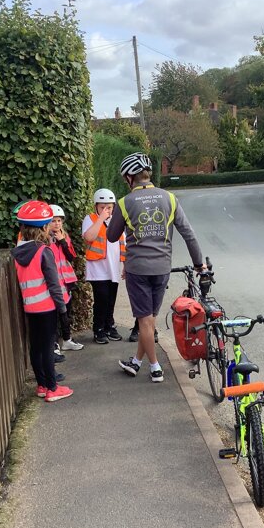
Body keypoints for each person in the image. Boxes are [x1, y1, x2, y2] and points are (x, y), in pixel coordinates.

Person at [107, 152, 206, 382]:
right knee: (149, 320)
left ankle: (155, 367)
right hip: (162, 268)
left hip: (137, 270)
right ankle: (136, 362)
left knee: (145, 321)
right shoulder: (169, 198)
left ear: (130, 177)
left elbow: (111, 236)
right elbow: (188, 234)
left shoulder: (124, 202)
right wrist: (198, 263)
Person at [11, 200, 73, 402]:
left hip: (30, 307)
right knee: (47, 347)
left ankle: (41, 385)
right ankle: (53, 388)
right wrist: (62, 309)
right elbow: (54, 284)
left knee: (36, 347)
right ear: (44, 227)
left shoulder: (17, 253)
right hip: (47, 307)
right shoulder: (43, 251)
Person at [82, 188, 126, 344]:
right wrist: (101, 218)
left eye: (109, 207)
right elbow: (89, 237)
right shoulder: (90, 219)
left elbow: (124, 244)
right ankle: (98, 329)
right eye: (102, 207)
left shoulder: (117, 221)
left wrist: (125, 266)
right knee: (101, 299)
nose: (106, 210)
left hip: (113, 269)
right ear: (96, 206)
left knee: (111, 300)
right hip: (97, 270)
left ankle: (109, 326)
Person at [49, 204, 84, 351]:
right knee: (55, 313)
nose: (57, 224)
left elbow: (71, 256)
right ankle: (54, 343)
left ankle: (67, 339)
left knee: (66, 311)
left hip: (65, 281)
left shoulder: (65, 236)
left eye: (59, 221)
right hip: (53, 280)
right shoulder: (44, 238)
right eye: (53, 221)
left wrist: (62, 241)